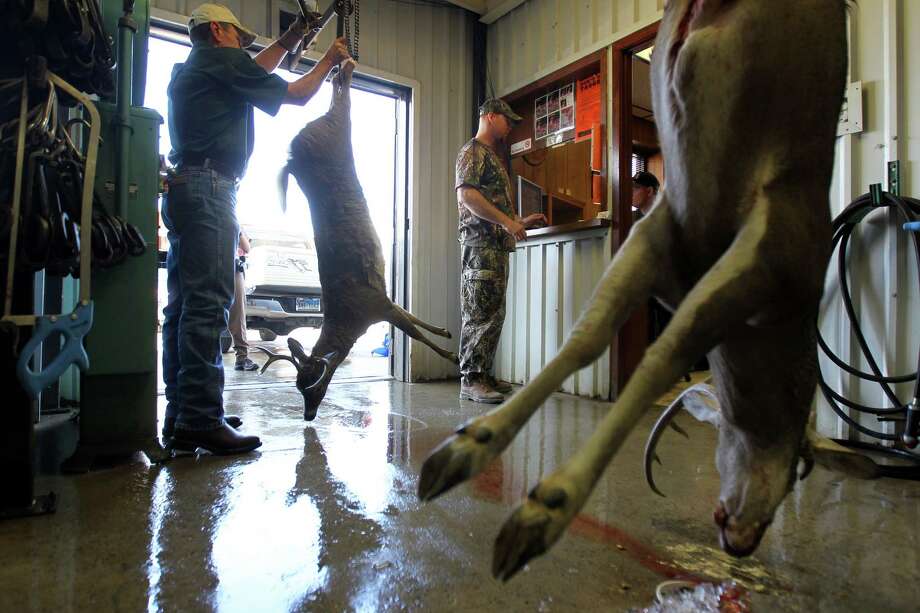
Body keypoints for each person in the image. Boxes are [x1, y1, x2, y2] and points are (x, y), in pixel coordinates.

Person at [161, 3, 351, 454]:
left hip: (188, 188)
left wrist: (288, 41)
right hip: (211, 190)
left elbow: (251, 69)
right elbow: (300, 94)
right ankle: (201, 420)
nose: (242, 47)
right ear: (215, 30)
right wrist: (330, 57)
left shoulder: (197, 70)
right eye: (237, 36)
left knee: (183, 307)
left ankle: (183, 412)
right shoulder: (220, 64)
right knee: (208, 306)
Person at [455, 98, 547, 404]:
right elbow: (467, 196)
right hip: (480, 247)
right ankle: (471, 379)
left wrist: (519, 220)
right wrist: (508, 223)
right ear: (491, 117)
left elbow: (490, 204)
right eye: (507, 120)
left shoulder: (491, 156)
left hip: (494, 248)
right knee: (479, 313)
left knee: (493, 314)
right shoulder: (472, 151)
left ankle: (482, 372)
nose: (509, 126)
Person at [229, 229, 258, 371]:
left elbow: (246, 248)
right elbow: (246, 247)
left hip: (229, 267)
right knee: (236, 314)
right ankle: (241, 357)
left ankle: (242, 357)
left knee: (237, 314)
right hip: (221, 266)